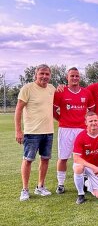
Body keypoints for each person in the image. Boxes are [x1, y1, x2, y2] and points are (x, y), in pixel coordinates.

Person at [15, 64, 56, 201]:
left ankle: (40, 187)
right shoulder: (27, 88)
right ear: (36, 74)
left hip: (48, 131)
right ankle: (25, 189)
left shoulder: (52, 89)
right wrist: (18, 130)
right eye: (42, 74)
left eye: (47, 74)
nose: (44, 76)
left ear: (50, 76)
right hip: (32, 132)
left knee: (45, 159)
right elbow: (18, 110)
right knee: (28, 160)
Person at [53, 67, 95, 194]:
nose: (75, 78)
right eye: (72, 76)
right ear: (67, 77)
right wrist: (62, 120)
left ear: (79, 78)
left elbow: (92, 111)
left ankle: (86, 181)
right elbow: (53, 111)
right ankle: (60, 184)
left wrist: (88, 123)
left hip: (82, 130)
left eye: (77, 76)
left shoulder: (86, 92)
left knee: (85, 156)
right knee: (63, 157)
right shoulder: (60, 92)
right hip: (65, 129)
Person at [72, 112, 98, 204]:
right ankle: (81, 194)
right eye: (90, 121)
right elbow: (76, 158)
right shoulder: (81, 136)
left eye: (95, 120)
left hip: (97, 166)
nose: (93, 123)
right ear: (86, 122)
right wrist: (92, 167)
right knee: (78, 168)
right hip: (83, 165)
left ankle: (86, 183)